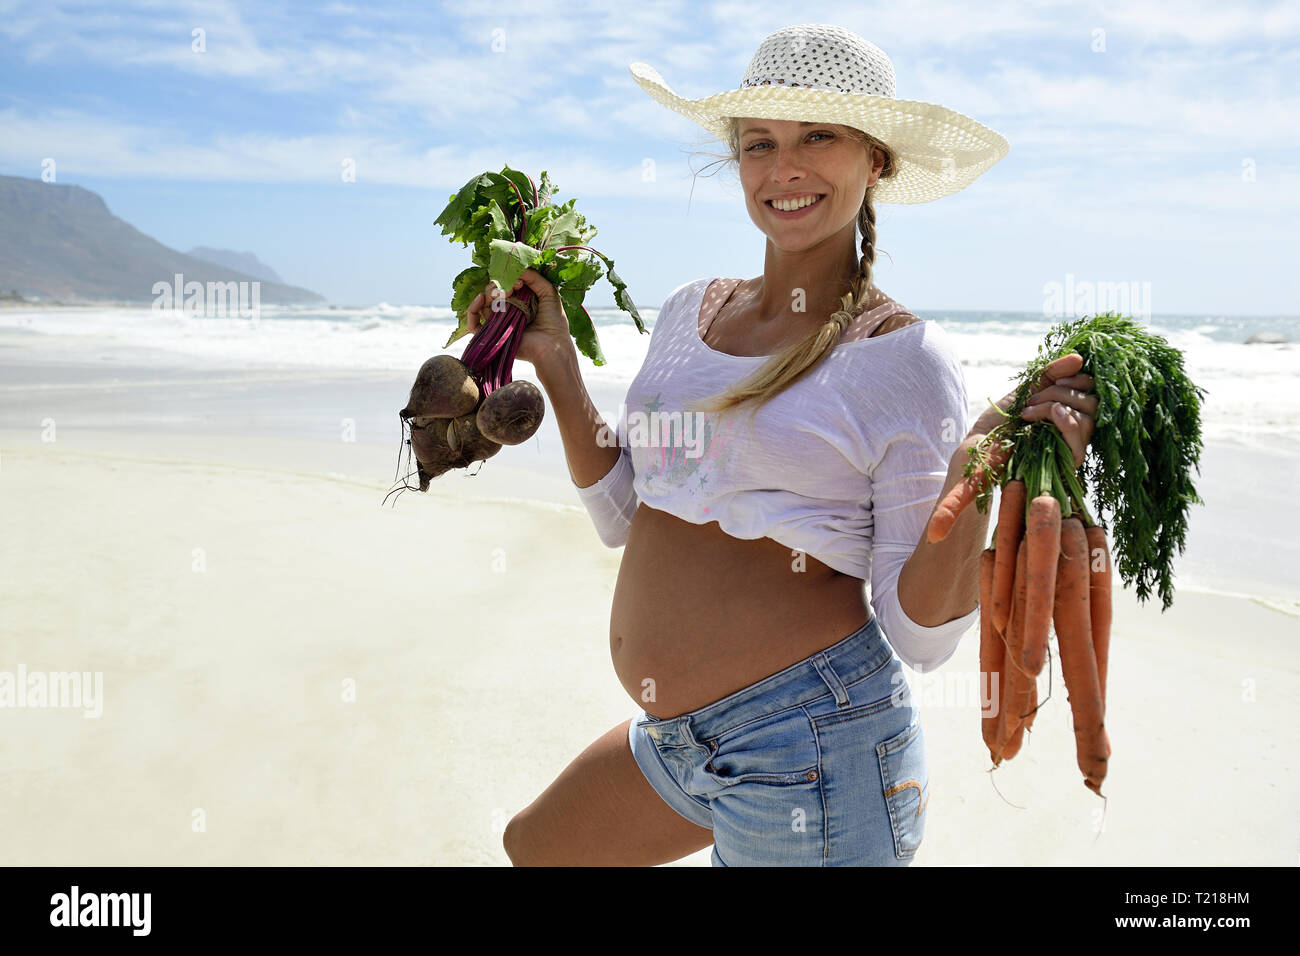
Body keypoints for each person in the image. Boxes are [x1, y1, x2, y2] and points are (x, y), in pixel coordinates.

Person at [470, 24, 1098, 866]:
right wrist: (553, 360)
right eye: (759, 142)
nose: (784, 168)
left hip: (813, 740)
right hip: (683, 739)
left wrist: (974, 473)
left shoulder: (904, 361)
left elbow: (918, 636)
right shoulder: (691, 312)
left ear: (875, 160)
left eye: (819, 138)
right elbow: (629, 509)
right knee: (537, 847)